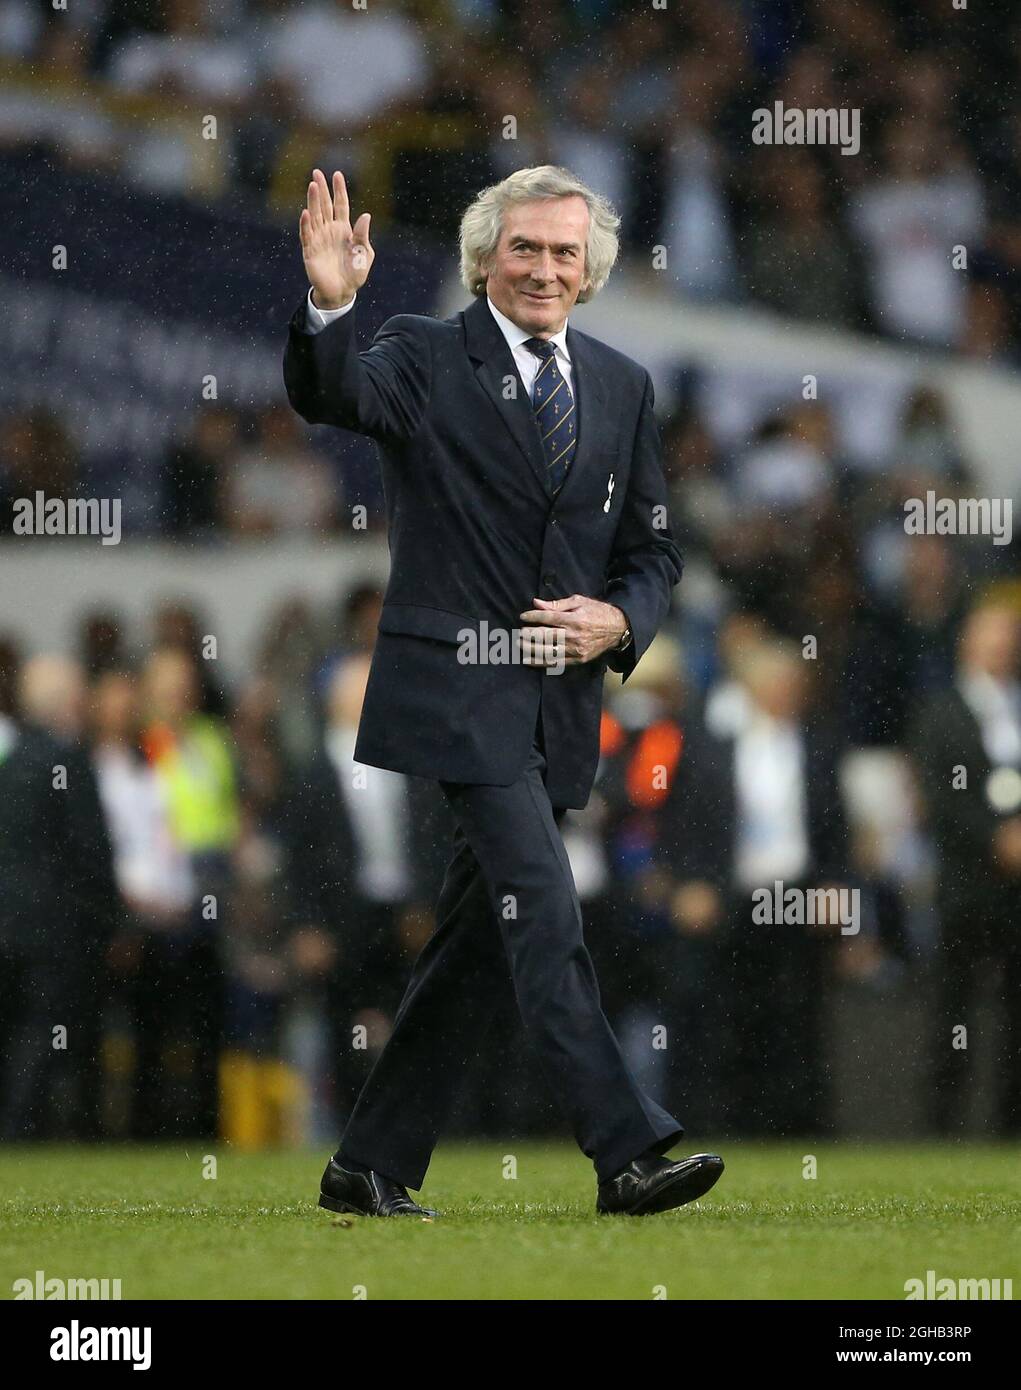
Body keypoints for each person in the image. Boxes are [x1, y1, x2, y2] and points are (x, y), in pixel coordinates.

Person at [283, 164, 724, 1217]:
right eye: (523, 248)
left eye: (562, 252)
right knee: (545, 907)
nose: (542, 267)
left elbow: (655, 553)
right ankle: (625, 1152)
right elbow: (332, 392)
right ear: (485, 258)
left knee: (475, 944)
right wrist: (332, 303)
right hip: (457, 693)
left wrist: (618, 621)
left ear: (590, 270)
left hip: (561, 708)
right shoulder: (425, 353)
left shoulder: (621, 386)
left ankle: (367, 1163)